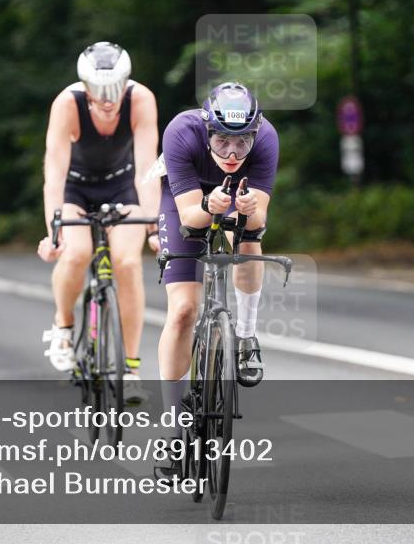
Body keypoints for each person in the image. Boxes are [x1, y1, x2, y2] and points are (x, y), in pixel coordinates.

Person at [154, 82, 279, 472]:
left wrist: (246, 209)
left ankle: (244, 336)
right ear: (207, 129)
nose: (231, 152)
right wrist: (210, 204)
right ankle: (175, 432)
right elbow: (192, 217)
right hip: (187, 203)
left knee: (247, 240)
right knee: (183, 311)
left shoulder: (268, 139)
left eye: (242, 143)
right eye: (223, 140)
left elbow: (258, 220)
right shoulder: (181, 131)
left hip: (232, 202)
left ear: (255, 133)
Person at [36, 42, 160, 405]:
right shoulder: (66, 104)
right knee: (75, 254)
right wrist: (53, 231)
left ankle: (131, 369)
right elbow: (54, 175)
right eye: (99, 91)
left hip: (122, 184)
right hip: (75, 188)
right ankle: (62, 326)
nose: (108, 100)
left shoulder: (141, 100)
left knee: (127, 262)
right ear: (85, 87)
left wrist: (154, 227)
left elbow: (146, 170)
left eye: (115, 89)